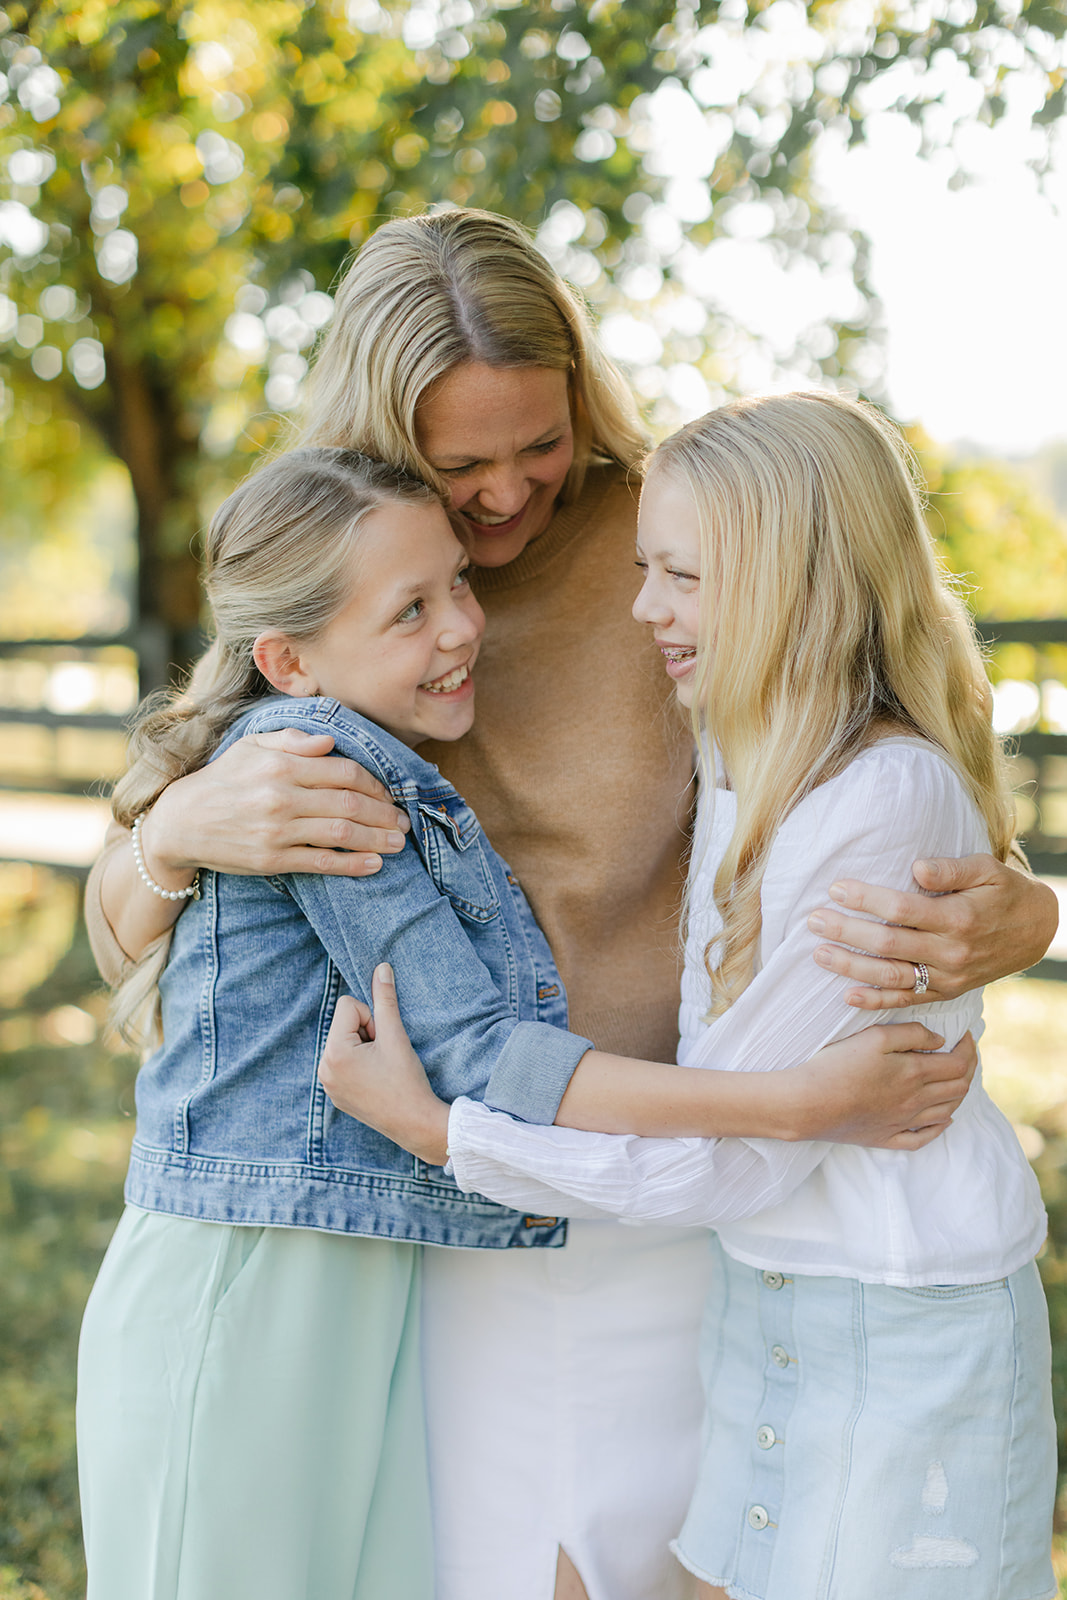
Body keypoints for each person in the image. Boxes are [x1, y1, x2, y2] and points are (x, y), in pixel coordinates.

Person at [83, 209, 1057, 1600]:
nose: (497, 498)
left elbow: (883, 753)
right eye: (456, 462)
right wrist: (172, 833)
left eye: (534, 445)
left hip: (670, 1183)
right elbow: (121, 924)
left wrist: (1021, 911)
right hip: (453, 1189)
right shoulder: (341, 567)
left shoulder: (684, 545)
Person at [324, 393, 1057, 1600]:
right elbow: (751, 1115)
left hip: (898, 1317)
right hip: (770, 1288)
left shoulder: (878, 803)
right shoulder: (736, 745)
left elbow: (729, 1156)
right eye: (642, 567)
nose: (641, 608)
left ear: (790, 588)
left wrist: (442, 1132)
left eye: (680, 576)